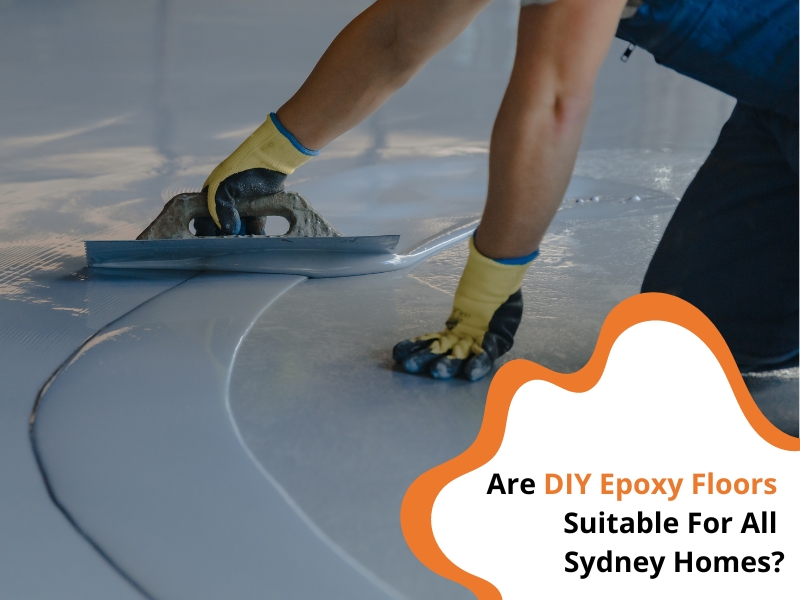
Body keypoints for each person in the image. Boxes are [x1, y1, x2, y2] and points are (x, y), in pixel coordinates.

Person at [199, 0, 798, 381]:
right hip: (781, 101)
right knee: (706, 336)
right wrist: (263, 162)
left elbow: (552, 103)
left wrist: (487, 292)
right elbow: (400, 33)